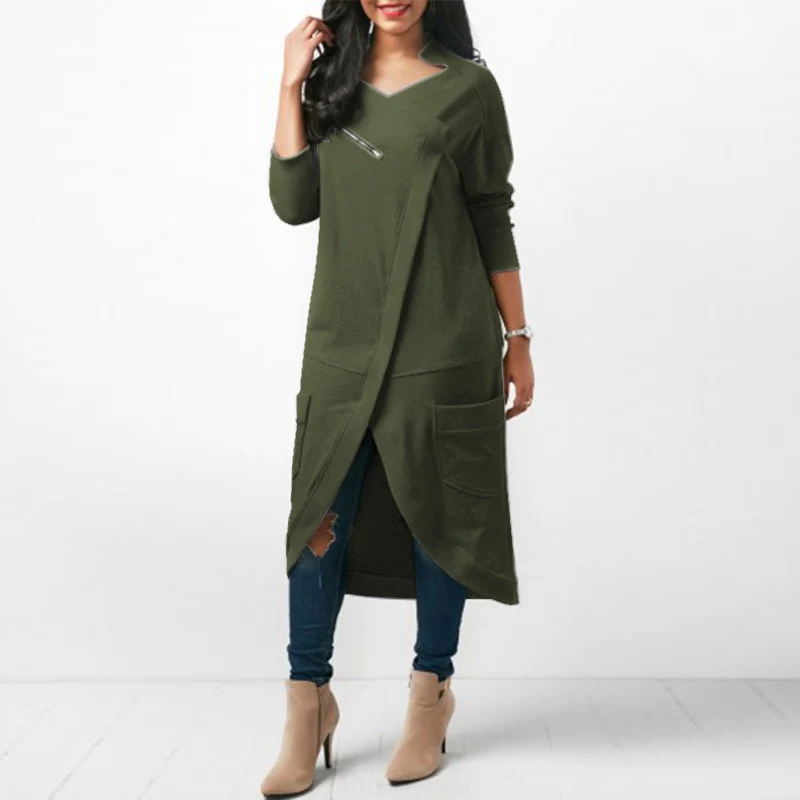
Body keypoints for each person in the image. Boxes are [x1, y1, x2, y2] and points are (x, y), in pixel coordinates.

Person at [261, 1, 534, 795]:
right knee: (318, 514)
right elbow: (293, 202)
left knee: (440, 514)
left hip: (444, 341)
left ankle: (430, 696)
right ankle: (308, 704)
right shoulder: (330, 83)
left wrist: (518, 338)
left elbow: (491, 212)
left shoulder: (469, 89)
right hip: (342, 341)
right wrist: (288, 85)